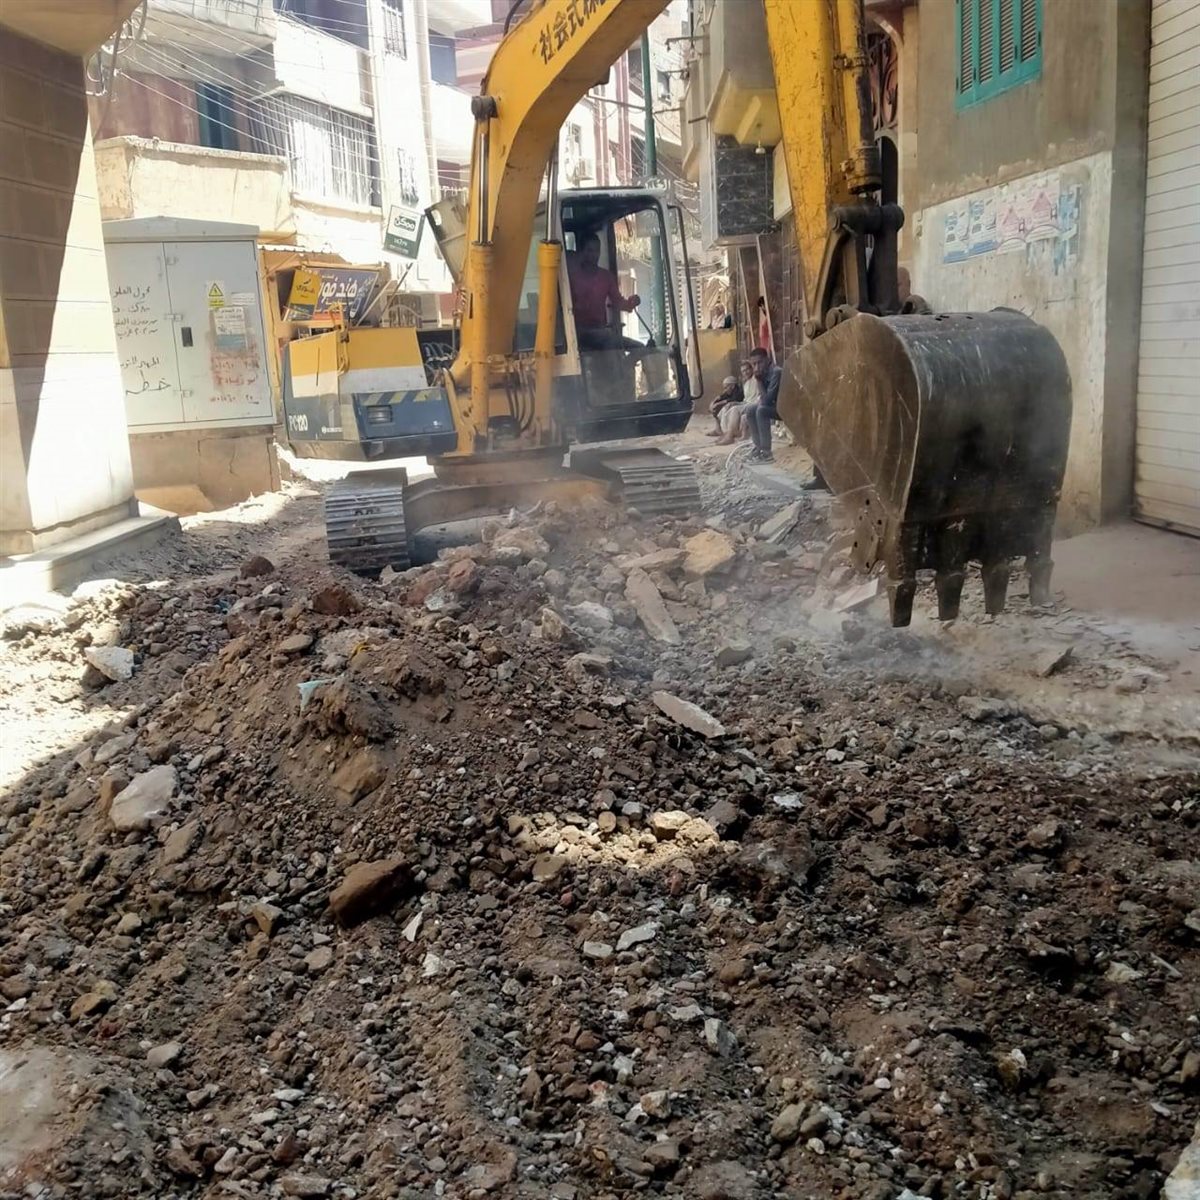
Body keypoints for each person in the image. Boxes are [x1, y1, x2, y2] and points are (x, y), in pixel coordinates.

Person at [567, 232, 641, 351]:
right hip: (577, 332)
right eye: (590, 250)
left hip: (600, 330)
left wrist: (630, 303)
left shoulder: (606, 277)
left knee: (639, 348)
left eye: (597, 250)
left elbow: (617, 301)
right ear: (582, 252)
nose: (594, 255)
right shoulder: (572, 278)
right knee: (609, 343)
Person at [745, 346, 782, 462]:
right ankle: (758, 447)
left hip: (785, 409)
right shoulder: (763, 373)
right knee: (750, 409)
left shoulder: (776, 372)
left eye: (759, 363)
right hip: (774, 407)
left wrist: (759, 380)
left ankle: (766, 452)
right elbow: (763, 400)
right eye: (754, 364)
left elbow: (767, 401)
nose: (757, 367)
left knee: (761, 411)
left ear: (767, 359)